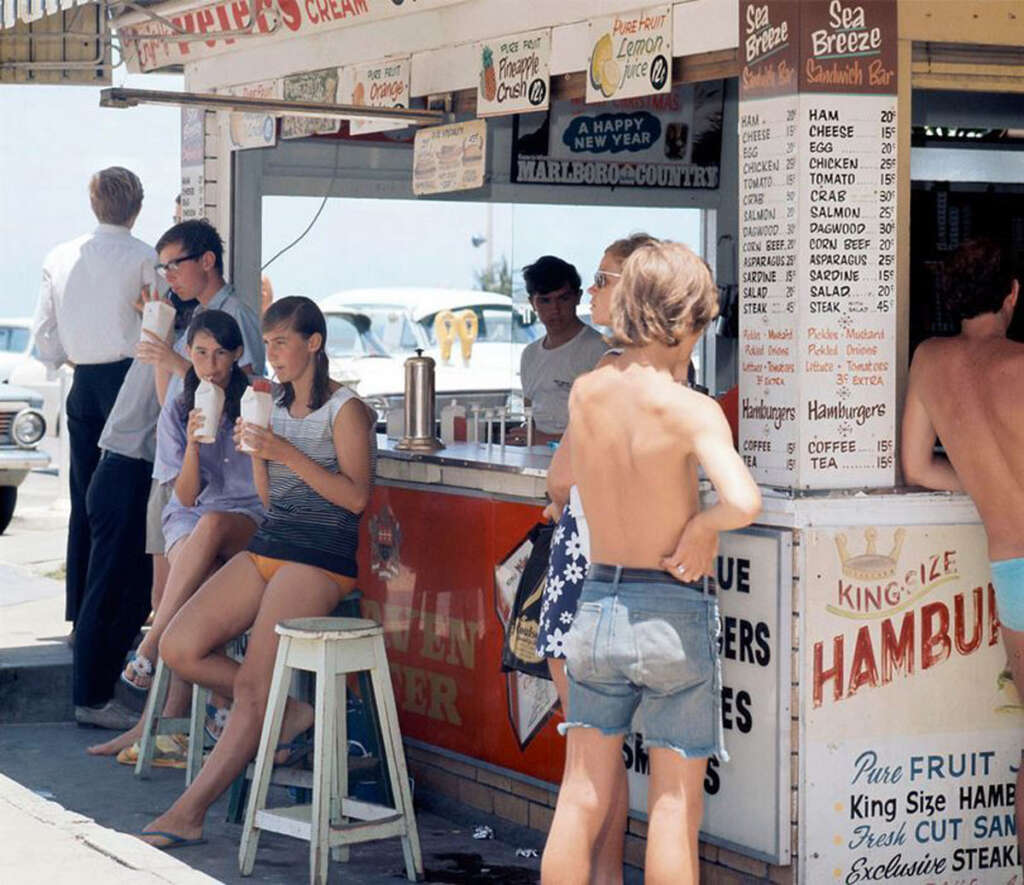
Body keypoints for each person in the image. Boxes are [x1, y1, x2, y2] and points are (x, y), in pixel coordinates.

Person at [541, 241, 761, 885]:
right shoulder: (691, 407)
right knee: (672, 806)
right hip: (671, 608)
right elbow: (742, 500)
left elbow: (562, 483)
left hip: (597, 602)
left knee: (580, 792)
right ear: (690, 319)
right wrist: (703, 523)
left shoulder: (587, 393)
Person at [138, 296, 376, 850]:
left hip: (320, 556)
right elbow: (272, 499)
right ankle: (292, 712)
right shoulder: (268, 402)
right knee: (179, 647)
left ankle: (189, 811)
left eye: (282, 343)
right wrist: (261, 455)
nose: (272, 355)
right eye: (266, 344)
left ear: (313, 343)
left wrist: (286, 454)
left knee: (251, 684)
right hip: (273, 542)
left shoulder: (346, 409)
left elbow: (357, 499)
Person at [73, 219, 263, 729]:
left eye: (173, 264)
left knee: (177, 598)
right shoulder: (190, 318)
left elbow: (243, 392)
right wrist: (166, 353)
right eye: (162, 266)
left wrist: (173, 361)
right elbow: (172, 404)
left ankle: (182, 707)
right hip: (173, 474)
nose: (167, 276)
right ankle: (171, 719)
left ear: (206, 262)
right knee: (166, 596)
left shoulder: (231, 318)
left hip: (216, 491)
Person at [536, 233, 657, 884]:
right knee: (610, 761)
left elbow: (560, 478)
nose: (591, 291)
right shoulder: (673, 371)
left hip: (585, 576)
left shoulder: (608, 374)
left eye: (604, 279)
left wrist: (561, 501)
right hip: (639, 582)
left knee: (585, 769)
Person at [901, 237, 1024, 858]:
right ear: (1013, 295)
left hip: (1012, 571)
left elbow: (918, 467)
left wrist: (982, 486)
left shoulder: (928, 360)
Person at [31, 167, 161, 632]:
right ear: (138, 206)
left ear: (93, 204)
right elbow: (161, 325)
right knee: (130, 502)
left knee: (85, 499)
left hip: (82, 383)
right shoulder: (147, 258)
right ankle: (124, 611)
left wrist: (71, 356)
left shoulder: (60, 255)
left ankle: (80, 610)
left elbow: (44, 338)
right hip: (132, 382)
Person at [510, 255, 606, 445]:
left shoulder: (600, 351)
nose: (555, 309)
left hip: (582, 465)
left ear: (577, 297)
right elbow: (531, 418)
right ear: (532, 303)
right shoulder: (529, 355)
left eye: (563, 298)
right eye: (545, 300)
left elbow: (609, 430)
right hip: (534, 460)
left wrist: (546, 440)